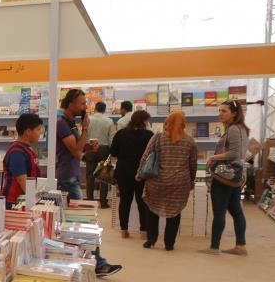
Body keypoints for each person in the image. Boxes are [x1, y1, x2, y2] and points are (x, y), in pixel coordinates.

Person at [56, 88, 122, 277]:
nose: (85, 107)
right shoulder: (62, 124)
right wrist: (85, 129)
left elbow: (77, 149)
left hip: (71, 177)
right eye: (82, 103)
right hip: (67, 179)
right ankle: (98, 263)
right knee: (85, 222)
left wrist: (88, 146)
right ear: (71, 104)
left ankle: (92, 261)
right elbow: (75, 151)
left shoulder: (70, 124)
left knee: (78, 222)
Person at [141, 111, 197, 251]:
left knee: (152, 208)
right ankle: (169, 243)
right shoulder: (189, 141)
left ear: (167, 122)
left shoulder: (158, 137)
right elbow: (193, 163)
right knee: (175, 211)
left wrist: (139, 174)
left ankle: (151, 239)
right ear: (183, 123)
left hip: (157, 181)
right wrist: (192, 180)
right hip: (179, 182)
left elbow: (145, 157)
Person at [201, 100, 249, 255]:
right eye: (219, 110)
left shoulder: (234, 129)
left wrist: (213, 157)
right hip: (235, 177)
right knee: (236, 211)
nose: (220, 114)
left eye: (224, 111)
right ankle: (240, 246)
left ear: (234, 113)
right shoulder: (241, 129)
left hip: (224, 177)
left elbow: (234, 153)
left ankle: (214, 247)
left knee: (219, 211)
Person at [109, 110, 153, 238]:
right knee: (142, 201)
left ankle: (124, 230)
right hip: (142, 172)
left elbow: (113, 152)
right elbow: (153, 154)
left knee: (125, 201)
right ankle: (144, 231)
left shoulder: (121, 133)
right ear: (144, 121)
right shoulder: (149, 135)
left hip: (123, 171)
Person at [2, 113, 42, 207]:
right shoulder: (17, 152)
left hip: (24, 200)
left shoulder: (26, 148)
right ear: (28, 131)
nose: (40, 133)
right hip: (15, 202)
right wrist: (34, 202)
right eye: (38, 129)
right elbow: (22, 180)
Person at [84, 101, 116, 207]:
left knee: (90, 175)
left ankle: (90, 200)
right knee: (104, 176)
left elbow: (84, 135)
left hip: (90, 147)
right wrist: (112, 151)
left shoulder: (88, 120)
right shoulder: (109, 121)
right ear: (104, 110)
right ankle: (103, 202)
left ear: (95, 109)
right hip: (104, 149)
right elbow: (111, 138)